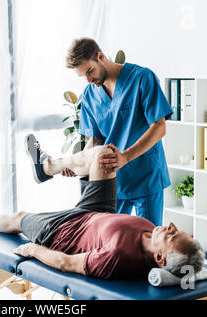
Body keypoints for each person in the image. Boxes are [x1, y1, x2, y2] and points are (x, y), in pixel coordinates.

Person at [0, 135, 204, 280]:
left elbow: (66, 263)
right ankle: (48, 166)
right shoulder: (152, 230)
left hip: (61, 232)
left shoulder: (116, 257)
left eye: (172, 235)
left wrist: (34, 250)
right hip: (98, 210)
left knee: (17, 218)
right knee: (104, 155)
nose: (170, 226)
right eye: (177, 229)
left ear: (159, 258)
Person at [61, 37, 173, 226]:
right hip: (113, 179)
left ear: (100, 57)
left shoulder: (142, 78)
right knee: (112, 239)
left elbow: (159, 127)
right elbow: (95, 140)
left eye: (90, 71)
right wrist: (79, 162)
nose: (89, 80)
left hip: (146, 175)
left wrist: (125, 157)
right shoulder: (90, 95)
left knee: (149, 240)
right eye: (83, 76)